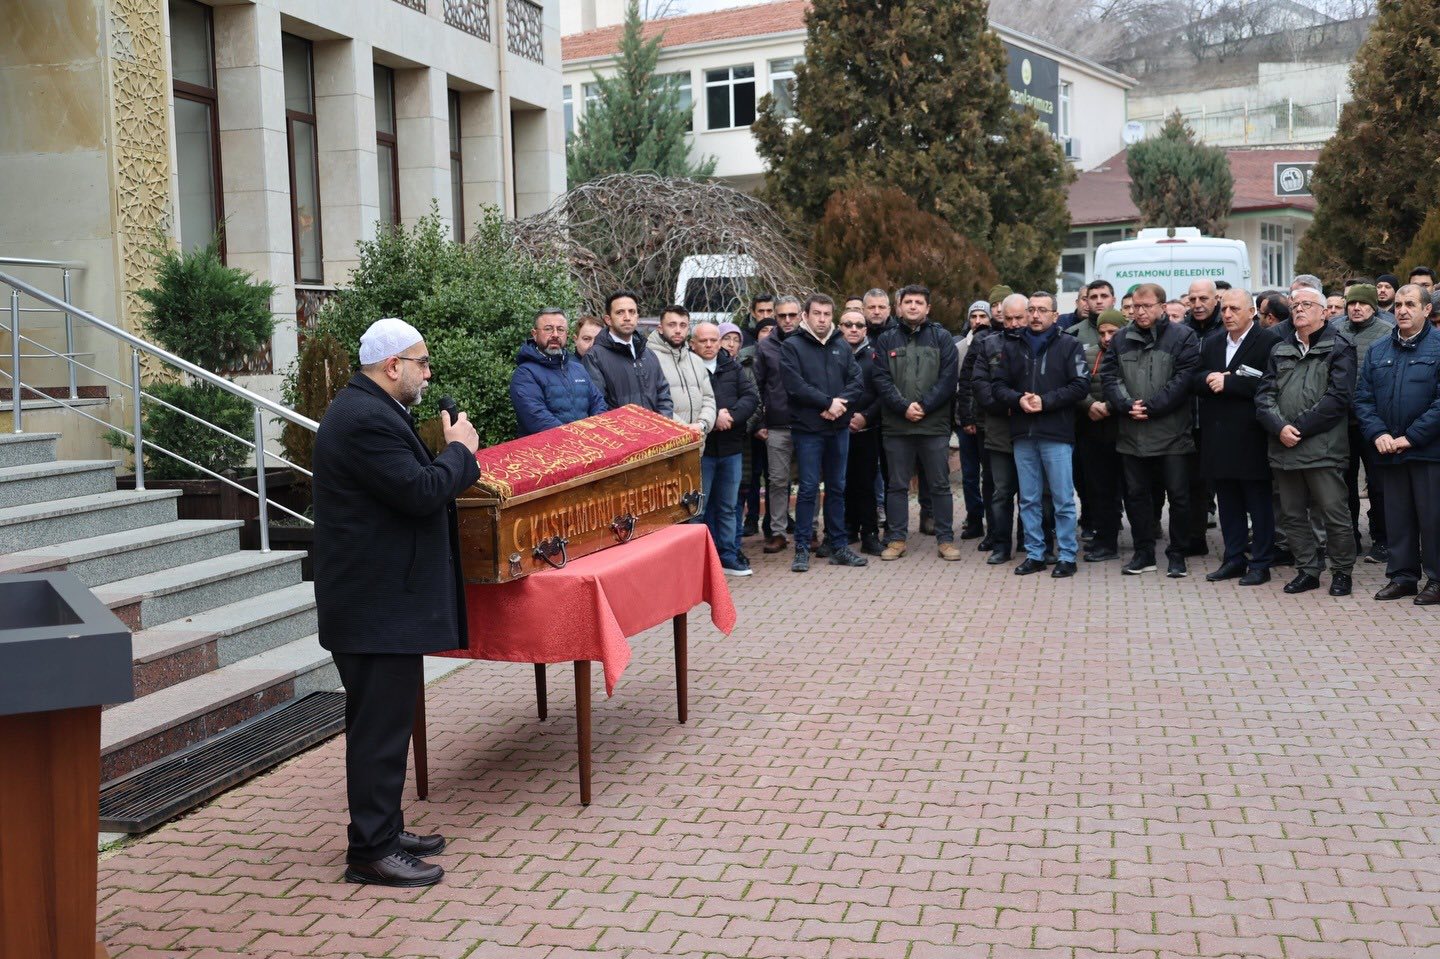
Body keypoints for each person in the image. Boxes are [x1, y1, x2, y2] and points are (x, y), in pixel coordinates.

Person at [312, 317, 480, 888]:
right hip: (372, 607)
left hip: (380, 605)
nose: (428, 374)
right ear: (392, 367)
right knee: (379, 730)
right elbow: (420, 492)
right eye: (421, 363)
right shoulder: (363, 419)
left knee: (384, 722)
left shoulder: (372, 409)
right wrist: (460, 451)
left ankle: (384, 827)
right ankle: (371, 852)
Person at [1256, 286, 1358, 597]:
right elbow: (1264, 396)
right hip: (1284, 448)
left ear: (1324, 311)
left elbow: (1338, 398)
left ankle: (1342, 572)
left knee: (1334, 513)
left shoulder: (1340, 346)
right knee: (1292, 515)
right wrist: (1278, 427)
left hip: (1322, 449)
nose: (1299, 309)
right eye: (1295, 304)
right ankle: (1308, 570)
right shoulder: (1279, 348)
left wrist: (1297, 427)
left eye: (1307, 304)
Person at [1100, 282, 1201, 578]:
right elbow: (1110, 377)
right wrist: (1125, 404)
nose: (1140, 312)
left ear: (1161, 307)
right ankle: (1143, 552)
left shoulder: (1184, 336)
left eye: (1146, 306)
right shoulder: (1120, 339)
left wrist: (1152, 406)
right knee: (1136, 495)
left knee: (1179, 497)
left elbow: (1184, 379)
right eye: (1135, 307)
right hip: (1132, 434)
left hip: (1173, 434)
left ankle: (1178, 553)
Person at [987, 291, 1089, 577]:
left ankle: (1067, 555)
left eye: (1042, 310)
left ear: (1055, 315)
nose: (1034, 315)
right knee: (1029, 499)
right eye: (1031, 309)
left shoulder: (1069, 345)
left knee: (1062, 499)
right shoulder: (1012, 346)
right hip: (1023, 433)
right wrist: (1018, 399)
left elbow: (1080, 385)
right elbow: (998, 385)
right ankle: (1035, 553)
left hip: (1056, 434)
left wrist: (1046, 401)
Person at [1355, 284, 1440, 604]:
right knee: (1398, 517)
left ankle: (1437, 579)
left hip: (1428, 452)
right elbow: (1363, 399)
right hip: (1389, 450)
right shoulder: (1379, 350)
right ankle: (1403, 576)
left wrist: (1412, 436)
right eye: (1398, 305)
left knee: (1433, 519)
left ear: (1427, 310)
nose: (1401, 310)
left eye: (1410, 304)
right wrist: (1378, 434)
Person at [1193, 289, 1281, 586]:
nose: (1227, 314)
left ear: (1252, 312)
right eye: (1224, 308)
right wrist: (1207, 379)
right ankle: (1233, 559)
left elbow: (1271, 382)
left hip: (1251, 436)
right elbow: (1195, 376)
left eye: (1234, 309)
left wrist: (1230, 382)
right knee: (1228, 501)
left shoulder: (1268, 341)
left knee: (1258, 503)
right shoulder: (1214, 342)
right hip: (1218, 436)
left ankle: (1261, 563)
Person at [871, 284, 962, 561]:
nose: (913, 306)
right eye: (908, 301)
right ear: (899, 307)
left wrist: (923, 406)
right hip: (897, 426)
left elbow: (948, 380)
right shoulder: (886, 340)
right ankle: (897, 539)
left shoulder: (942, 338)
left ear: (927, 308)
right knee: (897, 485)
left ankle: (945, 540)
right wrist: (903, 407)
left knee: (939, 484)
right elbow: (881, 379)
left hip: (933, 425)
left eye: (918, 302)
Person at [780, 294, 868, 572]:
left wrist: (838, 405)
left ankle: (838, 545)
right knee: (807, 489)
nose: (821, 319)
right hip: (808, 431)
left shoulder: (841, 345)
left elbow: (857, 381)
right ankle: (803, 548)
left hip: (838, 429)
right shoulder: (792, 346)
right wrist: (826, 402)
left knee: (837, 488)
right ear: (805, 315)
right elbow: (795, 385)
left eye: (827, 314)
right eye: (816, 313)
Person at [975, 293, 1054, 565]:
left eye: (1019, 317)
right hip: (1001, 429)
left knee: (1039, 493)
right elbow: (981, 386)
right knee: (1001, 491)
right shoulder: (987, 345)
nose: (1014, 323)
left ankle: (1039, 542)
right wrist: (1010, 405)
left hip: (1036, 429)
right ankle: (1000, 545)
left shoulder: (1044, 343)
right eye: (1008, 318)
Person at [692, 321, 760, 576]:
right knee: (700, 508)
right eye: (704, 341)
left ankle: (728, 555)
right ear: (693, 343)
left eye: (713, 340)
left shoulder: (732, 366)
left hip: (731, 447)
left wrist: (730, 416)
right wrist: (713, 418)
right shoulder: (689, 367)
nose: (709, 345)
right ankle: (699, 562)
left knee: (728, 506)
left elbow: (751, 397)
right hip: (703, 450)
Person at [1334, 283, 1394, 564]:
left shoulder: (1386, 332)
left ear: (1373, 307)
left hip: (1372, 422)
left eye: (1363, 304)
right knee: (1344, 484)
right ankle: (1351, 539)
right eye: (1352, 303)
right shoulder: (1335, 330)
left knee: (1378, 485)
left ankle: (1382, 540)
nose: (1356, 308)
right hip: (1340, 423)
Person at [754, 296, 805, 554]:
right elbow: (758, 387)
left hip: (808, 425)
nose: (787, 320)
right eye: (782, 315)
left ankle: (810, 530)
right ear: (775, 316)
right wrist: (760, 422)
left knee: (810, 480)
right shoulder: (766, 347)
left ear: (800, 315)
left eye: (792, 315)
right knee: (776, 481)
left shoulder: (811, 342)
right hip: (777, 425)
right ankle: (777, 531)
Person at [1073, 309, 1125, 562]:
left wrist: (1110, 406)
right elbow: (1075, 383)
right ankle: (1104, 539)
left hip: (1121, 431)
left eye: (1112, 332)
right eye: (1102, 332)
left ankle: (1125, 539)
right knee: (1098, 489)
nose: (1106, 337)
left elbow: (1132, 387)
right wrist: (1089, 405)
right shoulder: (1086, 353)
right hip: (1091, 430)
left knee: (1123, 490)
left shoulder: (1129, 354)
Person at [509, 308, 607, 437]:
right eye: (548, 329)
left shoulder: (578, 369)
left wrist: (594, 432)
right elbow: (536, 419)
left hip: (587, 448)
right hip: (548, 451)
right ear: (534, 334)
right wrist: (575, 437)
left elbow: (599, 404)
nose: (555, 334)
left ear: (566, 334)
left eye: (560, 329)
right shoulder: (525, 374)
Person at [838, 307, 885, 555]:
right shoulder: (832, 354)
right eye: (848, 324)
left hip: (867, 430)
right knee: (841, 483)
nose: (853, 329)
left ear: (865, 330)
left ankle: (870, 535)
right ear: (840, 327)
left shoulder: (876, 357)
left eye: (858, 325)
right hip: (838, 428)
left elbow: (883, 393)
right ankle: (845, 529)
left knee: (866, 484)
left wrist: (865, 417)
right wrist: (844, 417)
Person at [583, 290, 673, 416]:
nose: (627, 317)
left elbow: (664, 397)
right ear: (608, 320)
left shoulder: (648, 354)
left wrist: (663, 427)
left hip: (655, 432)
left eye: (632, 312)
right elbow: (598, 405)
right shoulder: (594, 357)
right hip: (620, 433)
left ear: (637, 316)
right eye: (620, 312)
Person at [647, 305, 715, 435]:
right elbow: (652, 402)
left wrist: (702, 425)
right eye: (672, 325)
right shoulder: (648, 359)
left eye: (683, 325)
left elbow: (708, 398)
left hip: (697, 441)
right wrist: (685, 430)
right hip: (666, 443)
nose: (678, 330)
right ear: (660, 329)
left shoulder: (696, 361)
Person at [955, 301, 993, 540]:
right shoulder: (959, 347)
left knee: (988, 475)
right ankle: (974, 518)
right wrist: (963, 417)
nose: (978, 320)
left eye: (983, 315)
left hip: (986, 422)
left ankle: (994, 521)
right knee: (969, 474)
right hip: (963, 420)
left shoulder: (993, 342)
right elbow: (959, 385)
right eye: (974, 316)